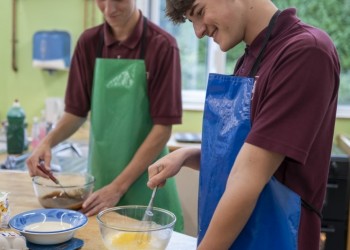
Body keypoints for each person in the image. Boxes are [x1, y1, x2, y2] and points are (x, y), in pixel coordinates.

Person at [147, 0, 340, 249]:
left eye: (199, 13)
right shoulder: (249, 59)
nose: (198, 32)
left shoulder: (306, 52)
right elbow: (242, 155)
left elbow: (248, 175)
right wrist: (186, 156)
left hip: (279, 236)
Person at [26, 0, 184, 232]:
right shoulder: (89, 43)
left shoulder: (162, 45)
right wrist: (46, 143)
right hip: (100, 184)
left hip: (147, 182)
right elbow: (75, 113)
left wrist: (118, 188)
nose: (109, 9)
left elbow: (162, 128)